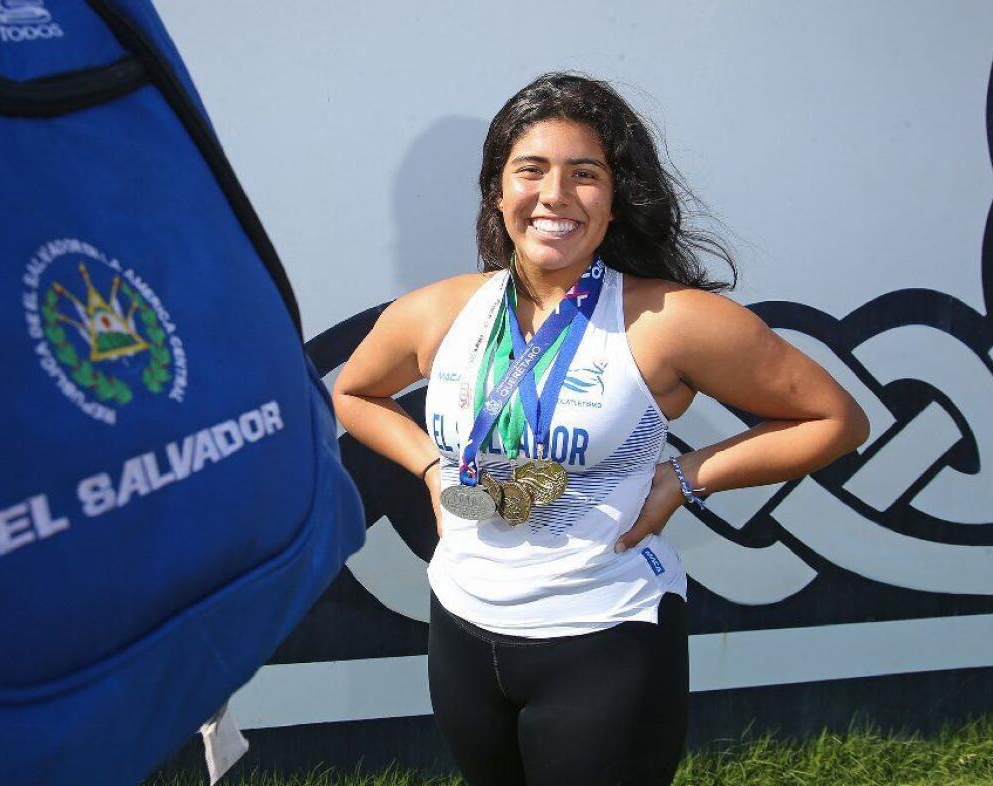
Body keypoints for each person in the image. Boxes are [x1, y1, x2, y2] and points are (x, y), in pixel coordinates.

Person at [333, 72, 869, 786]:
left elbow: (836, 419)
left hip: (605, 638)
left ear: (616, 201)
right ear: (498, 189)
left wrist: (687, 477)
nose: (555, 194)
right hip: (462, 624)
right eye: (531, 169)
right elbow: (355, 394)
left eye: (585, 174)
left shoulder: (667, 321)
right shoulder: (438, 312)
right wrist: (432, 468)